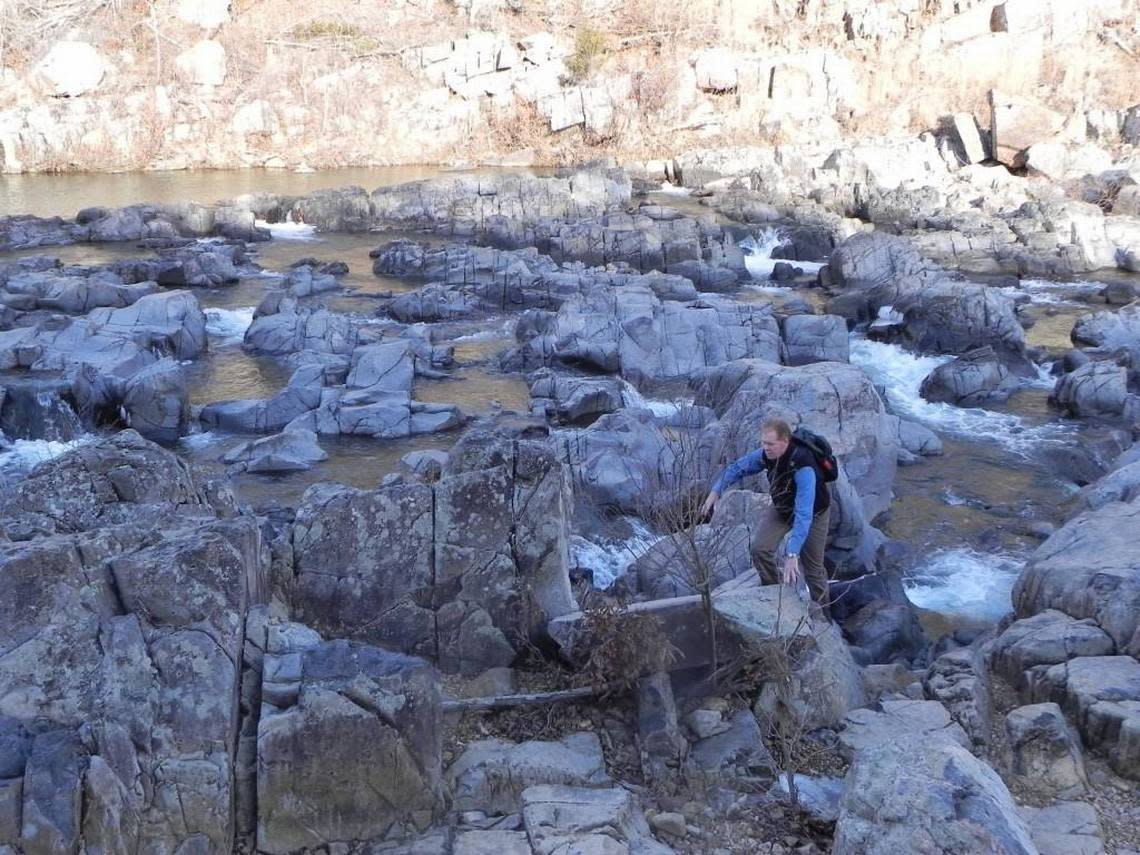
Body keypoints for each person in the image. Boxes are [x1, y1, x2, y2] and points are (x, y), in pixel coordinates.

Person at [701, 417, 832, 607]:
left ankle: (823, 612)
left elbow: (804, 514)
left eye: (770, 444)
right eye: (763, 443)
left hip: (814, 513)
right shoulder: (766, 455)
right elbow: (738, 468)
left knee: (812, 569)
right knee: (760, 549)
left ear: (785, 441)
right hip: (783, 507)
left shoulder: (804, 466)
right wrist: (716, 491)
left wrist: (792, 553)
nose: (766, 447)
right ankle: (775, 593)